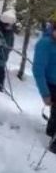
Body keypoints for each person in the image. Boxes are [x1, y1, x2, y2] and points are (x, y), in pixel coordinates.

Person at [32, 13, 56, 152]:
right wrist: (45, 93)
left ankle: (50, 132)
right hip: (51, 84)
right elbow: (38, 70)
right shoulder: (45, 44)